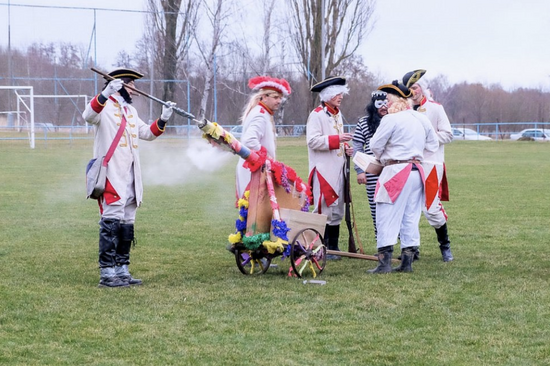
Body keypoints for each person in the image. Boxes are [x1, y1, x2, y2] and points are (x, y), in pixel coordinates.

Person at [83, 68, 175, 287]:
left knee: (127, 222)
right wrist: (105, 93)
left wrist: (163, 118)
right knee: (111, 222)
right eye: (131, 84)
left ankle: (122, 269)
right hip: (112, 173)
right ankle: (107, 272)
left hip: (131, 175)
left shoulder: (130, 111)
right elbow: (88, 115)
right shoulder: (103, 107)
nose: (135, 89)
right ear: (120, 84)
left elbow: (148, 134)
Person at [367, 80, 438, 274]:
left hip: (396, 171)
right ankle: (407, 262)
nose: (386, 104)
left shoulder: (391, 119)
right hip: (416, 172)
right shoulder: (421, 118)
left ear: (396, 100)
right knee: (410, 216)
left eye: (388, 99)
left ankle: (384, 263)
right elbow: (433, 145)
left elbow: (375, 145)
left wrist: (387, 154)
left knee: (385, 214)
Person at [402, 69, 454, 262]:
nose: (412, 92)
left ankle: (445, 246)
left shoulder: (435, 108)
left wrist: (426, 140)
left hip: (430, 163)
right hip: (408, 165)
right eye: (409, 89)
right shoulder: (404, 111)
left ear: (422, 88)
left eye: (415, 87)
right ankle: (410, 249)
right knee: (408, 208)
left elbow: (448, 134)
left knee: (432, 209)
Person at [306, 76, 354, 260]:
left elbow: (338, 139)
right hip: (324, 170)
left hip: (339, 169)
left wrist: (345, 147)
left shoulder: (336, 113)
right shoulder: (317, 114)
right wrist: (337, 140)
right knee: (323, 210)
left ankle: (333, 246)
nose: (340, 97)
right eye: (337, 94)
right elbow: (312, 141)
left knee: (337, 210)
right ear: (327, 95)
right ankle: (318, 246)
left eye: (341, 93)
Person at [235, 76, 292, 199]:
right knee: (254, 214)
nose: (279, 101)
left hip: (256, 170)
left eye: (280, 98)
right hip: (253, 171)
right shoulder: (260, 115)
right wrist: (266, 159)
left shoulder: (263, 112)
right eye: (276, 97)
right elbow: (249, 140)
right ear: (264, 97)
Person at [352, 90, 389, 241]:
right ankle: (381, 243)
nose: (384, 107)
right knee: (376, 209)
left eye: (386, 103)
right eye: (380, 104)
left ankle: (405, 245)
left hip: (393, 170)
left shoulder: (394, 120)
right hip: (372, 171)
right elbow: (357, 148)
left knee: (396, 207)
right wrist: (360, 170)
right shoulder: (364, 123)